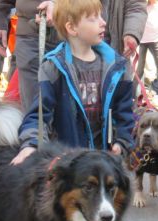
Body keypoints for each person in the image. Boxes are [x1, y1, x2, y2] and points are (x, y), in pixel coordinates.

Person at [11, 0, 135, 165]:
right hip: (67, 164)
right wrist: (30, 145)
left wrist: (122, 143)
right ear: (72, 28)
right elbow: (39, 114)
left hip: (105, 162)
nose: (103, 22)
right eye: (93, 18)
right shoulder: (53, 68)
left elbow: (124, 113)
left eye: (101, 15)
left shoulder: (116, 67)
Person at [0, 0, 146, 113]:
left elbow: (135, 4)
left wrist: (132, 31)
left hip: (90, 41)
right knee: (36, 112)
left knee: (86, 113)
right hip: (36, 35)